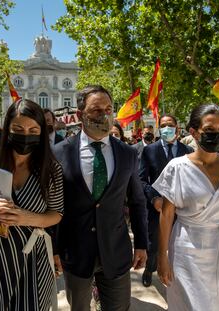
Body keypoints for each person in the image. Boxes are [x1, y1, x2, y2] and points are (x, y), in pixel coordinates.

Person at [0, 99, 64, 310]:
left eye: (33, 129)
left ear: (41, 133)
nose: (25, 135)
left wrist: (28, 218)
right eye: (18, 128)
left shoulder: (51, 170)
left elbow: (57, 213)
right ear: (7, 129)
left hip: (31, 258)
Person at [155, 104, 219, 310]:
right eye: (210, 130)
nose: (217, 135)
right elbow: (166, 215)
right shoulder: (178, 167)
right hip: (187, 250)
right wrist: (161, 257)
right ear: (193, 132)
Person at [54, 85, 148, 311]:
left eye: (109, 109)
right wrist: (54, 249)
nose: (105, 115)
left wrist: (143, 245)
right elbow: (53, 204)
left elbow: (136, 201)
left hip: (116, 251)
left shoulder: (127, 153)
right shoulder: (59, 152)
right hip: (75, 253)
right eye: (97, 110)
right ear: (80, 115)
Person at [139, 114, 193, 287]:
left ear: (177, 128)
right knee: (154, 244)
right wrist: (154, 198)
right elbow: (141, 180)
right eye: (163, 125)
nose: (167, 128)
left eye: (170, 124)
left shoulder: (188, 151)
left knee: (178, 243)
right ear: (158, 128)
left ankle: (178, 274)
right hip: (157, 208)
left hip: (182, 209)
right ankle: (150, 269)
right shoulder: (150, 150)